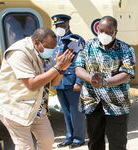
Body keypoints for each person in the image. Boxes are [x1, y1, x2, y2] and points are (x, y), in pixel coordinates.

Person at [0, 28, 74, 150]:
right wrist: (57, 67)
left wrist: (62, 69)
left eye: (53, 47)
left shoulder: (42, 52)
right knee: (25, 146)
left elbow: (53, 82)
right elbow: (32, 84)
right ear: (36, 42)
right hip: (14, 106)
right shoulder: (19, 52)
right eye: (49, 47)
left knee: (47, 140)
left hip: (36, 106)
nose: (51, 50)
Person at [75, 16, 136, 150]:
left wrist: (104, 82)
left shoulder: (125, 49)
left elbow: (126, 74)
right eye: (101, 30)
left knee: (117, 142)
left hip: (116, 103)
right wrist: (91, 78)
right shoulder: (88, 45)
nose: (104, 34)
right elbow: (79, 68)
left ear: (115, 31)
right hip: (92, 101)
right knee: (95, 140)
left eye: (108, 32)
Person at [51, 14, 86, 149]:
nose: (59, 28)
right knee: (65, 112)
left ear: (68, 24)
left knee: (76, 113)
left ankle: (78, 139)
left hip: (72, 82)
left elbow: (82, 63)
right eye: (57, 26)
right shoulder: (56, 41)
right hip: (60, 82)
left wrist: (79, 82)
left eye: (62, 25)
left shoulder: (75, 40)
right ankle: (69, 136)